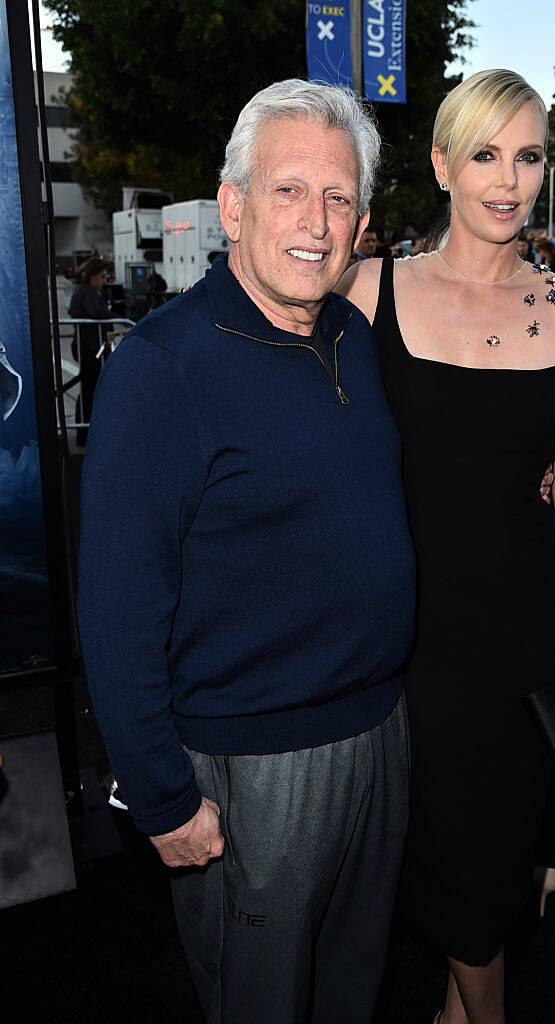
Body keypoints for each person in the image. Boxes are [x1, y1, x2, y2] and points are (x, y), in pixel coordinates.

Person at [78, 79, 415, 1024]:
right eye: (289, 190)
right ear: (232, 207)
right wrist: (160, 797)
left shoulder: (352, 334)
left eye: (340, 196)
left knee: (354, 989)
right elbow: (115, 603)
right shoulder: (162, 367)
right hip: (255, 770)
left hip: (381, 736)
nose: (318, 220)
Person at [338, 68, 555, 1024]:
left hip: (520, 639)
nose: (508, 179)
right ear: (441, 165)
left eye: (529, 155)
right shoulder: (367, 292)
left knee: (475, 858)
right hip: (405, 633)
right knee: (436, 854)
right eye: (486, 154)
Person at [69, 256, 112, 445]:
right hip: (90, 347)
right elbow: (96, 312)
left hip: (87, 345)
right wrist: (115, 317)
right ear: (92, 275)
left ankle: (84, 433)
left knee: (89, 387)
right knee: (91, 388)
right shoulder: (89, 293)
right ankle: (85, 433)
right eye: (102, 277)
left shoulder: (84, 291)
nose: (104, 281)